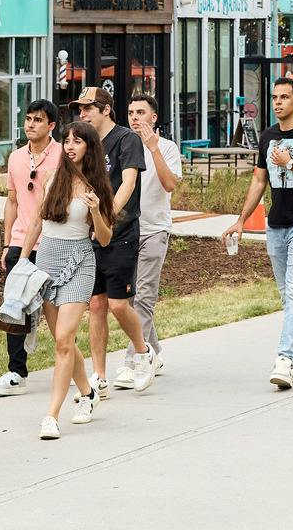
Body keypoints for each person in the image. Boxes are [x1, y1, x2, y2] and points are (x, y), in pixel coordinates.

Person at [225, 76, 293, 389]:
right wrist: (242, 220)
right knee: (288, 295)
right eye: (274, 97)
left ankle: (284, 359)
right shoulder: (268, 136)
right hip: (277, 225)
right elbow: (259, 181)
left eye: (284, 97)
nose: (277, 103)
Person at [69, 87, 156, 396]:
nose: (82, 114)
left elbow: (129, 182)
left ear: (105, 109)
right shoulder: (86, 145)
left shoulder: (125, 139)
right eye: (79, 109)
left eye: (88, 108)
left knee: (119, 305)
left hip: (121, 233)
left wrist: (106, 216)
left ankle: (143, 353)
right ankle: (100, 375)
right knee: (95, 304)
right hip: (90, 234)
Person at [33, 120, 115, 438]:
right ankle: (88, 393)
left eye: (77, 141)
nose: (70, 145)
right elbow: (39, 224)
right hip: (48, 258)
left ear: (89, 147)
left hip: (80, 260)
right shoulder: (52, 179)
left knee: (65, 339)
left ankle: (52, 415)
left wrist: (95, 212)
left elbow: (105, 238)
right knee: (61, 341)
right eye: (66, 140)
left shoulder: (97, 187)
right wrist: (22, 260)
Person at [0, 101, 64, 398]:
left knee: (54, 309)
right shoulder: (16, 157)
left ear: (51, 126)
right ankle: (17, 371)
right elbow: (13, 201)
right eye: (28, 119)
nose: (31, 125)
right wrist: (7, 243)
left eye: (38, 120)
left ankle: (67, 363)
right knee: (14, 307)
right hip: (20, 242)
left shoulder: (62, 156)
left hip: (53, 242)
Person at [115, 94, 181, 390]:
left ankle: (134, 360)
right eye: (130, 112)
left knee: (144, 296)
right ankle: (153, 350)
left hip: (154, 230)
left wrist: (154, 149)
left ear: (154, 118)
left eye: (141, 112)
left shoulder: (167, 148)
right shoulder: (121, 146)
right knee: (128, 298)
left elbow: (170, 185)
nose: (134, 117)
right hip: (126, 231)